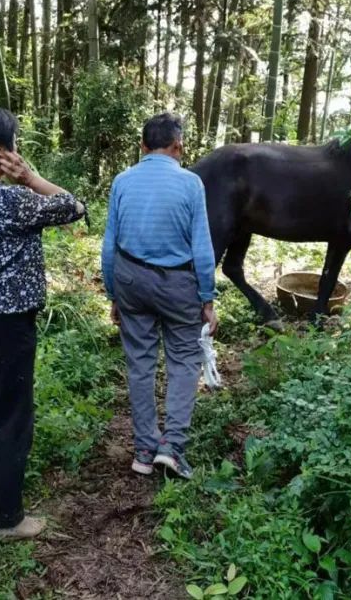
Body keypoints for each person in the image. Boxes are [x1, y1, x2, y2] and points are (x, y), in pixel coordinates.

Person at [0, 108, 86, 539]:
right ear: (3, 151)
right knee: (11, 418)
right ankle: (8, 519)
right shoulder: (13, 200)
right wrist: (30, 178)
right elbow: (74, 206)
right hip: (8, 327)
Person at [101, 113, 218, 480]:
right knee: (184, 359)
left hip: (130, 279)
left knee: (140, 361)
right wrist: (207, 298)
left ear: (142, 147)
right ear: (179, 146)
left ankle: (144, 449)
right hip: (178, 284)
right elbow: (202, 246)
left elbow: (109, 246)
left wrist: (113, 293)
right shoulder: (191, 184)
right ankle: (172, 447)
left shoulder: (122, 181)